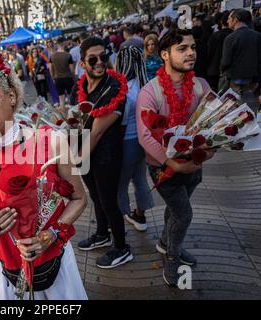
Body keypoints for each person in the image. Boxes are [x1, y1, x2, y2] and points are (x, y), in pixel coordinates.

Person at [0, 45, 88, 300]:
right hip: (9, 272)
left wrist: (52, 234)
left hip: (55, 265)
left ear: (10, 96)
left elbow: (79, 198)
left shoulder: (51, 141)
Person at [136, 29, 215, 287]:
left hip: (194, 163)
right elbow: (145, 136)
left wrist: (211, 148)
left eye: (192, 47)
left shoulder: (201, 85)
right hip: (163, 167)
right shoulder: (150, 92)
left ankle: (164, 242)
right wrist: (172, 163)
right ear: (165, 55)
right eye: (182, 48)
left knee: (176, 209)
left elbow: (214, 122)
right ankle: (172, 256)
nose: (191, 52)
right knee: (184, 214)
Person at [70, 37, 133, 269]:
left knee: (108, 201)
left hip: (105, 155)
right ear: (83, 63)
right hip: (85, 151)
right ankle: (102, 233)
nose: (99, 62)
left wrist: (76, 159)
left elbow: (96, 133)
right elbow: (78, 118)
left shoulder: (114, 88)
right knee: (96, 197)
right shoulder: (82, 85)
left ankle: (121, 247)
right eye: (93, 59)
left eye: (103, 57)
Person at [115, 46, 154, 232]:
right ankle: (141, 214)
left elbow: (120, 120)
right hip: (143, 140)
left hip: (127, 141)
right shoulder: (147, 85)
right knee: (140, 179)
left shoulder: (124, 89)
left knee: (120, 183)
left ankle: (121, 216)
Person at [221, 9, 261, 112]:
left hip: (234, 81)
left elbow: (225, 62)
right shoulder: (257, 36)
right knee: (250, 113)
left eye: (230, 18)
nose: (228, 21)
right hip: (252, 83)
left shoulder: (230, 38)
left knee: (233, 113)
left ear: (236, 20)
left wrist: (223, 71)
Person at [206, 11, 232, 92]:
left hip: (213, 70)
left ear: (221, 22)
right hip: (228, 72)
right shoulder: (233, 35)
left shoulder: (215, 35)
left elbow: (209, 52)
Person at [49, 37, 75, 109]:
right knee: (71, 98)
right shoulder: (68, 55)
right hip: (68, 78)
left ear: (57, 44)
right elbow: (72, 70)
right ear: (64, 43)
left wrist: (53, 78)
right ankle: (73, 116)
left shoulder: (52, 56)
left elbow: (51, 69)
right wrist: (73, 78)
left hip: (58, 79)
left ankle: (63, 116)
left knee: (61, 99)